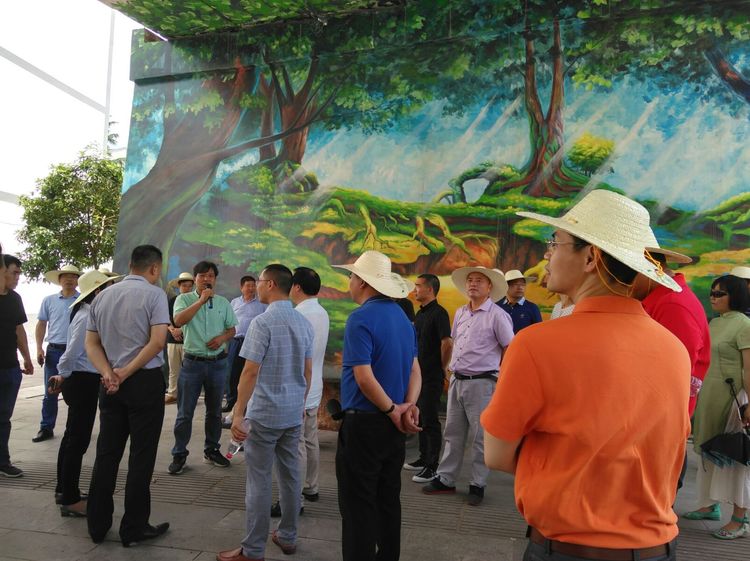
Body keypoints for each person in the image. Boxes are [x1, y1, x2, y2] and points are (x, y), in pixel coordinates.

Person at [481, 189, 689, 561]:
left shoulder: (536, 344)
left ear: (591, 257)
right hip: (657, 549)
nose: (547, 254)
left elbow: (496, 455)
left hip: (569, 549)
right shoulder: (674, 349)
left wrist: (565, 464)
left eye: (555, 242)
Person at [217, 264, 313, 561]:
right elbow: (308, 372)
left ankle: (253, 549)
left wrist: (238, 413)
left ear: (270, 284)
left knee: (258, 481)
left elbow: (249, 372)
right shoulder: (303, 322)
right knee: (291, 476)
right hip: (292, 413)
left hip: (264, 414)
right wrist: (300, 403)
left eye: (259, 280)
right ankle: (288, 536)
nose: (255, 285)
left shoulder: (262, 322)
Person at [333, 250, 421, 561]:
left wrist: (392, 410)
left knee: (358, 507)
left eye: (352, 276)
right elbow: (415, 369)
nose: (350, 281)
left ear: (362, 282)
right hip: (393, 426)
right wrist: (408, 406)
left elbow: (364, 376)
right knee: (388, 501)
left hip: (365, 424)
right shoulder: (402, 318)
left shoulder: (360, 318)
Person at [84, 245, 171, 546]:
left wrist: (109, 373)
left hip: (109, 384)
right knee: (141, 456)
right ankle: (133, 528)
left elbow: (91, 344)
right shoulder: (155, 295)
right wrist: (126, 372)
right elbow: (157, 342)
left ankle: (97, 525)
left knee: (106, 453)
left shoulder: (103, 295)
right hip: (143, 382)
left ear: (131, 264)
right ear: (154, 268)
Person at [423, 266, 513, 506]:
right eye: (470, 280)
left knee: (480, 437)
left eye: (479, 280)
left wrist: (502, 376)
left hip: (483, 383)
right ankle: (446, 478)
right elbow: (454, 342)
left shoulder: (497, 315)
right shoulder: (461, 312)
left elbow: (510, 347)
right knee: (452, 432)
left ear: (490, 287)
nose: (473, 284)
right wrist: (448, 369)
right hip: (458, 379)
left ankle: (477, 484)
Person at [49, 270, 121, 516]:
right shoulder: (86, 316)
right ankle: (69, 499)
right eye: (107, 288)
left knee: (72, 437)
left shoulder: (87, 313)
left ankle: (64, 489)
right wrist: (63, 374)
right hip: (82, 381)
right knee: (77, 441)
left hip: (82, 379)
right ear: (97, 291)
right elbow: (71, 353)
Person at [684, 274, 750, 540]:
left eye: (719, 293)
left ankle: (740, 518)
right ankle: (709, 505)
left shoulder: (744, 324)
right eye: (712, 292)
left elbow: (749, 368)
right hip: (710, 396)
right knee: (709, 451)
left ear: (735, 296)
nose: (713, 297)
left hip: (733, 400)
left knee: (735, 458)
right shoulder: (715, 322)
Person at [271, 266, 330, 517]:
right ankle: (311, 487)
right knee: (310, 440)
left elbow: (292, 358)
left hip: (298, 389)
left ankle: (294, 501)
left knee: (295, 448)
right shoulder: (322, 312)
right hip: (314, 387)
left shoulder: (298, 315)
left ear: (296, 287)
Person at [169, 261, 237, 474]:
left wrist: (222, 338)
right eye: (202, 275)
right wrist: (201, 301)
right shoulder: (184, 299)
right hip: (192, 364)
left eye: (211, 276)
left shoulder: (223, 302)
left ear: (215, 279)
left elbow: (232, 329)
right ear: (195, 278)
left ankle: (212, 449)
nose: (207, 279)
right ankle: (179, 454)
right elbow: (178, 320)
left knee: (215, 411)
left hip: (218, 364)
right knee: (185, 412)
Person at [404, 273, 452, 484]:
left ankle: (432, 466)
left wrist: (442, 366)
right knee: (421, 417)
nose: (415, 290)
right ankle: (423, 458)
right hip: (419, 375)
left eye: (418, 286)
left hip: (432, 375)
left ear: (430, 289)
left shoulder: (439, 313)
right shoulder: (420, 313)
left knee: (431, 420)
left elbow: (447, 343)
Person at [34, 264, 81, 442]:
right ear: (59, 280)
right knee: (50, 392)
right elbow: (41, 324)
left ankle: (74, 429)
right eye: (65, 276)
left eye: (73, 276)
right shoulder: (49, 300)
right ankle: (46, 428)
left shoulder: (83, 300)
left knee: (75, 392)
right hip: (54, 350)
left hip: (74, 352)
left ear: (78, 280)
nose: (69, 279)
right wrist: (39, 347)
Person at [0, 255, 34, 478]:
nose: (18, 277)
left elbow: (19, 330)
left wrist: (27, 358)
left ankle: (3, 461)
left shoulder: (15, 299)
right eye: (14, 272)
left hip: (10, 368)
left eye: (19, 273)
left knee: (4, 418)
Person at [224, 275, 266, 413]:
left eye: (253, 285)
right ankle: (231, 402)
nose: (251, 288)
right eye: (248, 286)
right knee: (232, 373)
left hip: (253, 342)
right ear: (241, 287)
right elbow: (228, 321)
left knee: (250, 372)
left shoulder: (262, 304)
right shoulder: (234, 302)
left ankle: (247, 404)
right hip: (236, 342)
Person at [164, 272, 194, 405]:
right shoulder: (173, 300)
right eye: (184, 285)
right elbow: (166, 317)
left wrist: (181, 330)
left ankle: (188, 395)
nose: (186, 288)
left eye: (189, 286)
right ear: (179, 286)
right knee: (173, 369)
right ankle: (172, 394)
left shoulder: (195, 302)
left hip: (189, 340)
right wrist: (172, 330)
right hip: (172, 340)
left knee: (188, 370)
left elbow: (195, 320)